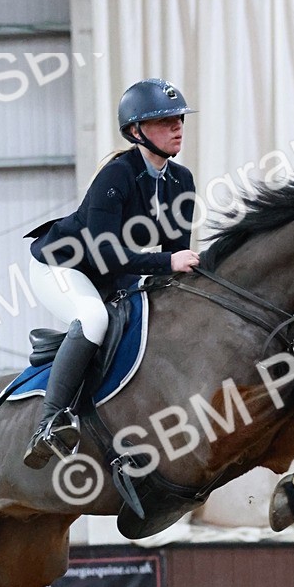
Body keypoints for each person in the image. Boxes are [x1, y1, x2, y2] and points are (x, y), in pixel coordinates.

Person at [23, 77, 201, 469]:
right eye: (165, 120)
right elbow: (107, 254)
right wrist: (168, 263)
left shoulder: (181, 182)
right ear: (136, 130)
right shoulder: (115, 176)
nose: (177, 128)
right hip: (60, 266)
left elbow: (174, 256)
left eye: (180, 119)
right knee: (92, 317)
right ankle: (48, 423)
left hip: (112, 274)